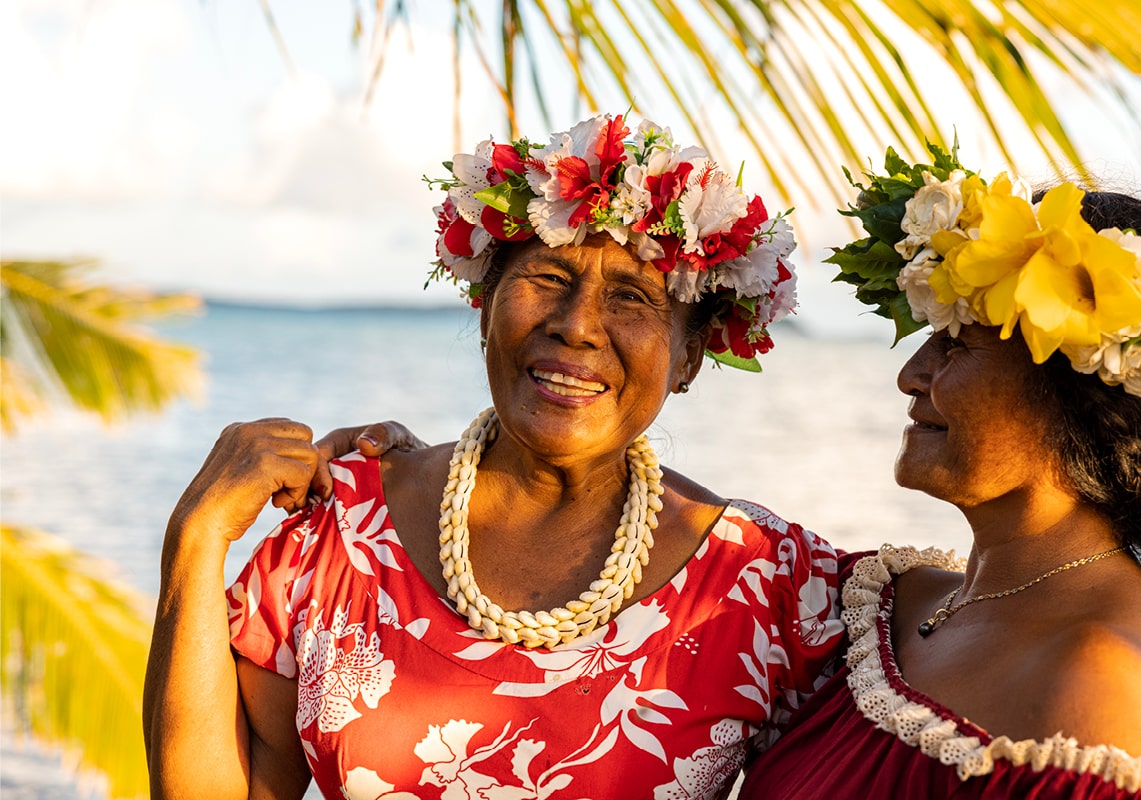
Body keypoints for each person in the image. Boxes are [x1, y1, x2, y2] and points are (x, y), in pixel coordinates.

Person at [142, 112, 844, 800]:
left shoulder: (766, 585)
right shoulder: (343, 531)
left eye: (631, 297)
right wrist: (196, 538)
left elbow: (944, 678)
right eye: (547, 280)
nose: (575, 327)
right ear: (484, 308)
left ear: (689, 355)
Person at [734, 150, 1141, 797]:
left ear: (1074, 386)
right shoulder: (888, 605)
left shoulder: (1101, 683)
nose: (910, 375)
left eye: (956, 345)